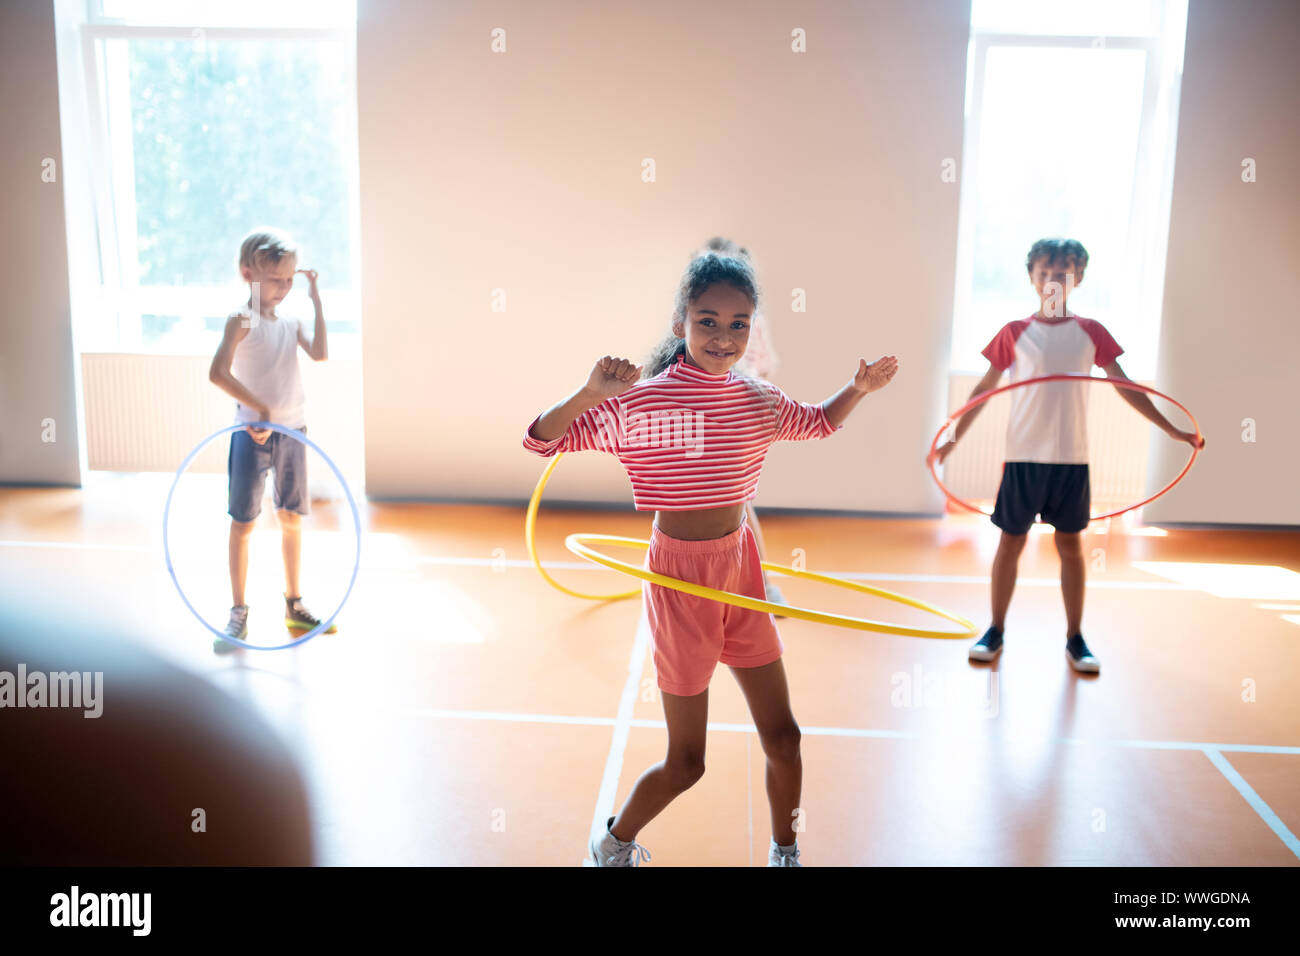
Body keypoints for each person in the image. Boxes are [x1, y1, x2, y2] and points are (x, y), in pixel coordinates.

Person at [523, 251, 899, 865]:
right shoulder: (641, 404)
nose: (724, 337)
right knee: (687, 762)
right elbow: (540, 440)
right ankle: (612, 843)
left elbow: (818, 423)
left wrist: (856, 389)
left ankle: (786, 853)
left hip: (742, 574)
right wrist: (590, 392)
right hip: (680, 581)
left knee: (785, 737)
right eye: (708, 321)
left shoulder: (756, 398)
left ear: (753, 329)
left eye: (738, 324)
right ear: (680, 324)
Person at [934, 238, 1203, 674]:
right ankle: (996, 629)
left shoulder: (1091, 332)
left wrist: (1172, 429)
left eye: (1062, 273)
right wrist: (953, 437)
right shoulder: (1014, 333)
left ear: (1078, 277)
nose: (1052, 281)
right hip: (1023, 459)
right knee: (1010, 544)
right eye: (1044, 272)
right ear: (1031, 277)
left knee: (1071, 547)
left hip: (1071, 460)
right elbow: (983, 390)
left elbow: (1126, 386)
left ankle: (1075, 638)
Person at [207, 228, 335, 654]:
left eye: (291, 278)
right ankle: (238, 610)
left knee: (291, 517)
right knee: (243, 521)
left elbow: (319, 353)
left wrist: (316, 300)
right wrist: (258, 408)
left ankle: (294, 603)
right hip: (251, 433)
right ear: (248, 273)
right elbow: (218, 372)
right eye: (276, 278)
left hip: (294, 431)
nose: (285, 286)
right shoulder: (242, 319)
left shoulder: (292, 320)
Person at [691, 237, 789, 614]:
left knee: (738, 502)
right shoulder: (693, 317)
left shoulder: (753, 321)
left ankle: (761, 584)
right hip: (698, 419)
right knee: (700, 502)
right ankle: (705, 581)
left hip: (733, 417)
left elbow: (764, 369)